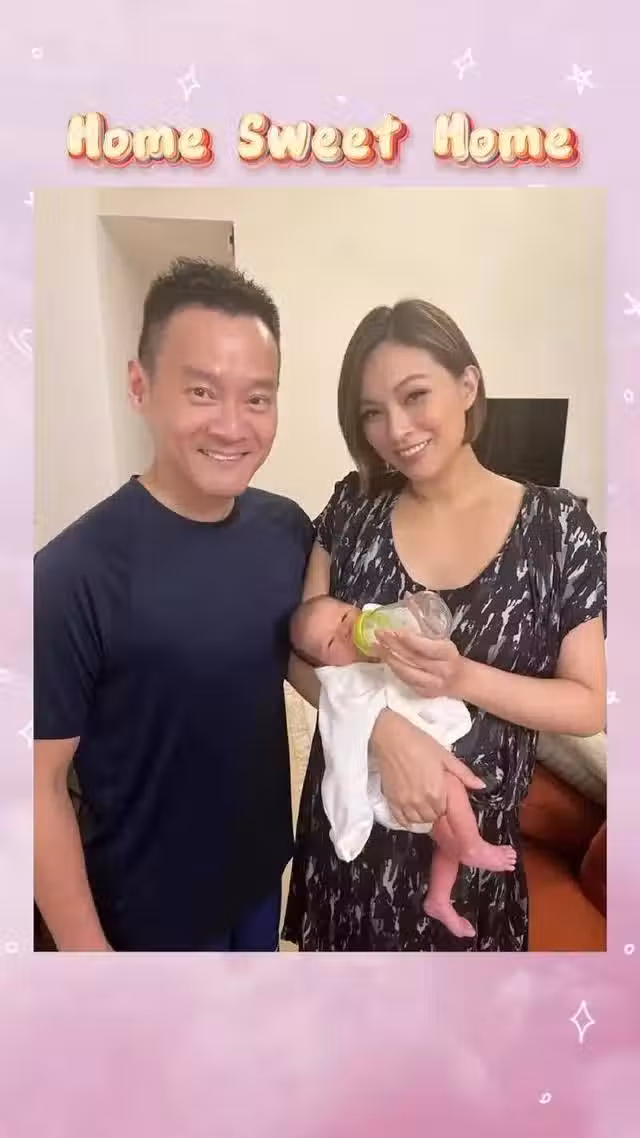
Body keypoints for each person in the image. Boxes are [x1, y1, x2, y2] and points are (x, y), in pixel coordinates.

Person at [283, 298, 607, 952]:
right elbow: (297, 652)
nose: (396, 430)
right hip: (353, 858)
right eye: (372, 412)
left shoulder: (557, 530)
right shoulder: (353, 506)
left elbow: (588, 704)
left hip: (471, 866)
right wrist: (381, 729)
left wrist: (461, 677)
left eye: (415, 396)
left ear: (467, 384)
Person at [34, 258, 316, 952]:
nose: (233, 426)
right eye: (201, 391)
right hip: (147, 917)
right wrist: (88, 958)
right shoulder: (69, 575)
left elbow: (294, 658)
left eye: (258, 398)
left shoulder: (286, 529)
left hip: (257, 875)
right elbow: (34, 786)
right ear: (140, 386)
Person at [290, 595, 517, 938]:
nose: (346, 630)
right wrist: (350, 822)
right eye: (332, 642)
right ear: (325, 666)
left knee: (447, 839)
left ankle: (439, 899)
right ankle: (473, 844)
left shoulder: (385, 637)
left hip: (426, 769)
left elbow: (429, 645)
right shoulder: (345, 688)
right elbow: (343, 762)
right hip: (392, 787)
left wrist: (416, 619)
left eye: (345, 615)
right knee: (451, 789)